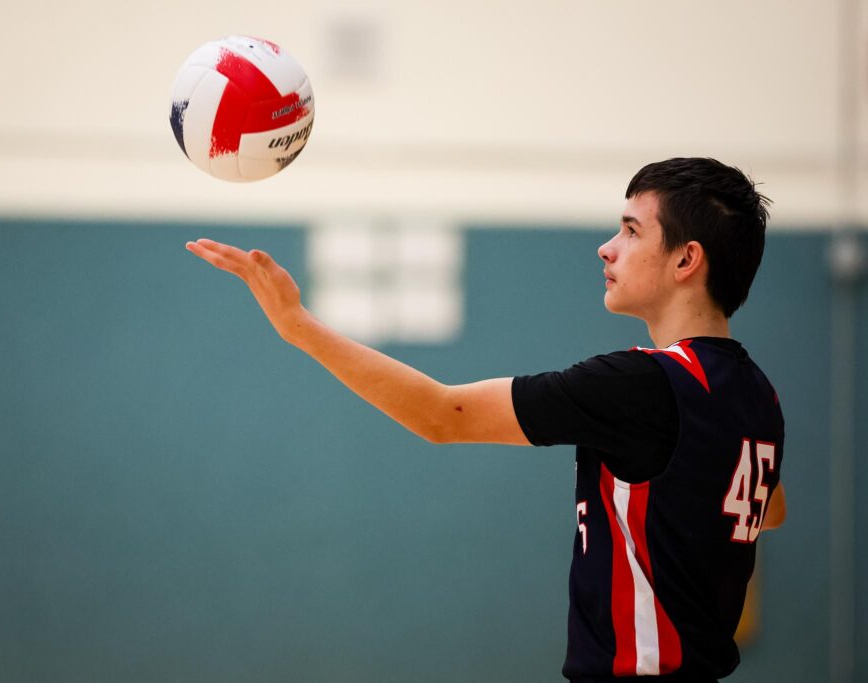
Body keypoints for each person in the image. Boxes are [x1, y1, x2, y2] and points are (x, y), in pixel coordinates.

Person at [185, 157, 786, 682]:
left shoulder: (640, 384)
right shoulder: (759, 397)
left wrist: (298, 327)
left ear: (687, 258)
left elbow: (440, 414)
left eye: (631, 230)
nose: (608, 247)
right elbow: (770, 509)